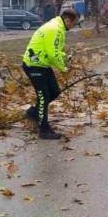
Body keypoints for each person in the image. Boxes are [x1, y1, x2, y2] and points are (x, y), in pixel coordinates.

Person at [22, 9, 79, 139]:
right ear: (67, 20)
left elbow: (54, 50)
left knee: (54, 92)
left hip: (42, 64)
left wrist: (65, 57)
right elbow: (53, 54)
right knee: (43, 96)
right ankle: (44, 130)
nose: (73, 26)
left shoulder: (58, 26)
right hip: (33, 65)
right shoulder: (55, 29)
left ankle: (33, 113)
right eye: (73, 23)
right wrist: (64, 68)